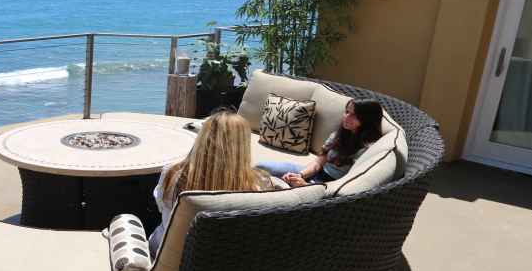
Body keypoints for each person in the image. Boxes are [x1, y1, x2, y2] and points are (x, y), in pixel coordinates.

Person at [149, 110, 273, 257]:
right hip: (226, 259)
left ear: (202, 137)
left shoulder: (172, 173)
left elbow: (162, 208)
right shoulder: (260, 182)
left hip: (172, 258)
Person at [255, 97, 384, 187]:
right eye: (346, 111)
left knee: (274, 183)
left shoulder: (367, 149)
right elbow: (319, 162)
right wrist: (298, 175)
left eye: (354, 115)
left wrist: (306, 186)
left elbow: (350, 183)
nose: (346, 117)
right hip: (317, 174)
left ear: (367, 119)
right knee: (260, 167)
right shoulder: (339, 135)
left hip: (328, 185)